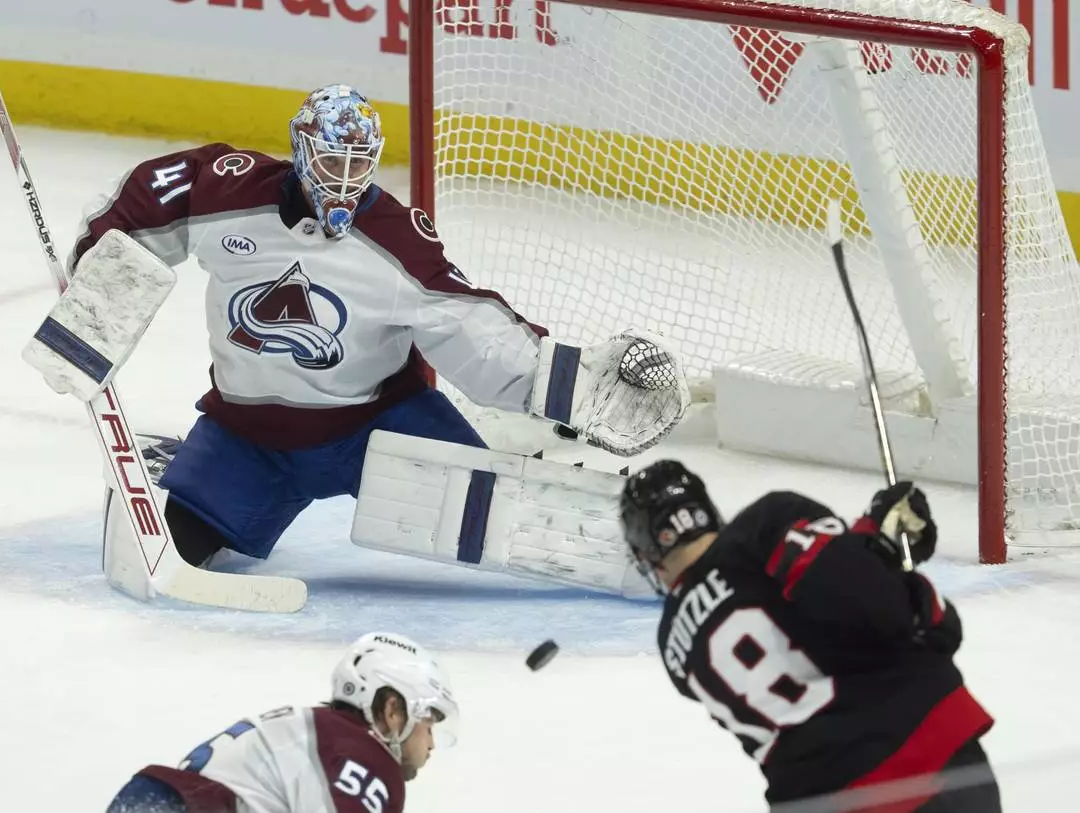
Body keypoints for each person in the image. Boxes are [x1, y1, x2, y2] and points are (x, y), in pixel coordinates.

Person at [62, 83, 683, 579]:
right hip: (248, 438)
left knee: (504, 519)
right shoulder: (229, 191)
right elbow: (158, 194)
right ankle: (188, 469)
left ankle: (646, 538)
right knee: (168, 546)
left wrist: (579, 391)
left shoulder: (395, 239)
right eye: (332, 159)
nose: (345, 177)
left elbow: (473, 328)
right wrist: (101, 261)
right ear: (301, 150)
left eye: (359, 162)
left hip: (379, 430)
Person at [618, 460, 1000, 813]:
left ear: (649, 552)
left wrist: (870, 541)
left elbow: (803, 609)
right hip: (922, 765)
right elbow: (879, 607)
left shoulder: (673, 642)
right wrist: (884, 552)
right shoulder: (765, 523)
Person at [106, 631, 457, 813]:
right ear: (393, 710)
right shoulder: (367, 754)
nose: (431, 744)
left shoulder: (318, 733)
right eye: (428, 724)